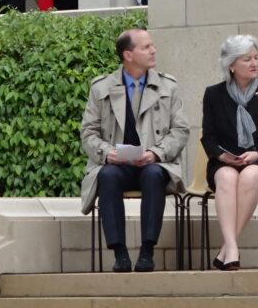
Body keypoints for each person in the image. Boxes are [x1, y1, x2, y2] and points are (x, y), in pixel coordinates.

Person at [80, 29, 189, 272]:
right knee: (106, 176)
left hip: (154, 162)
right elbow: (88, 132)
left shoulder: (167, 86)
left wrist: (156, 153)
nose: (153, 50)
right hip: (117, 164)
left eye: (152, 45)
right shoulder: (101, 88)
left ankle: (147, 252)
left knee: (152, 175)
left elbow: (180, 130)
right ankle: (120, 254)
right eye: (146, 47)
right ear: (128, 55)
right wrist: (107, 153)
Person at [201, 35, 258, 270]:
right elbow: (208, 137)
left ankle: (228, 249)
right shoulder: (213, 94)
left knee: (249, 176)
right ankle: (231, 248)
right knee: (228, 177)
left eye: (256, 58)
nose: (254, 63)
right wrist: (222, 156)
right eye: (246, 59)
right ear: (231, 65)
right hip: (224, 161)